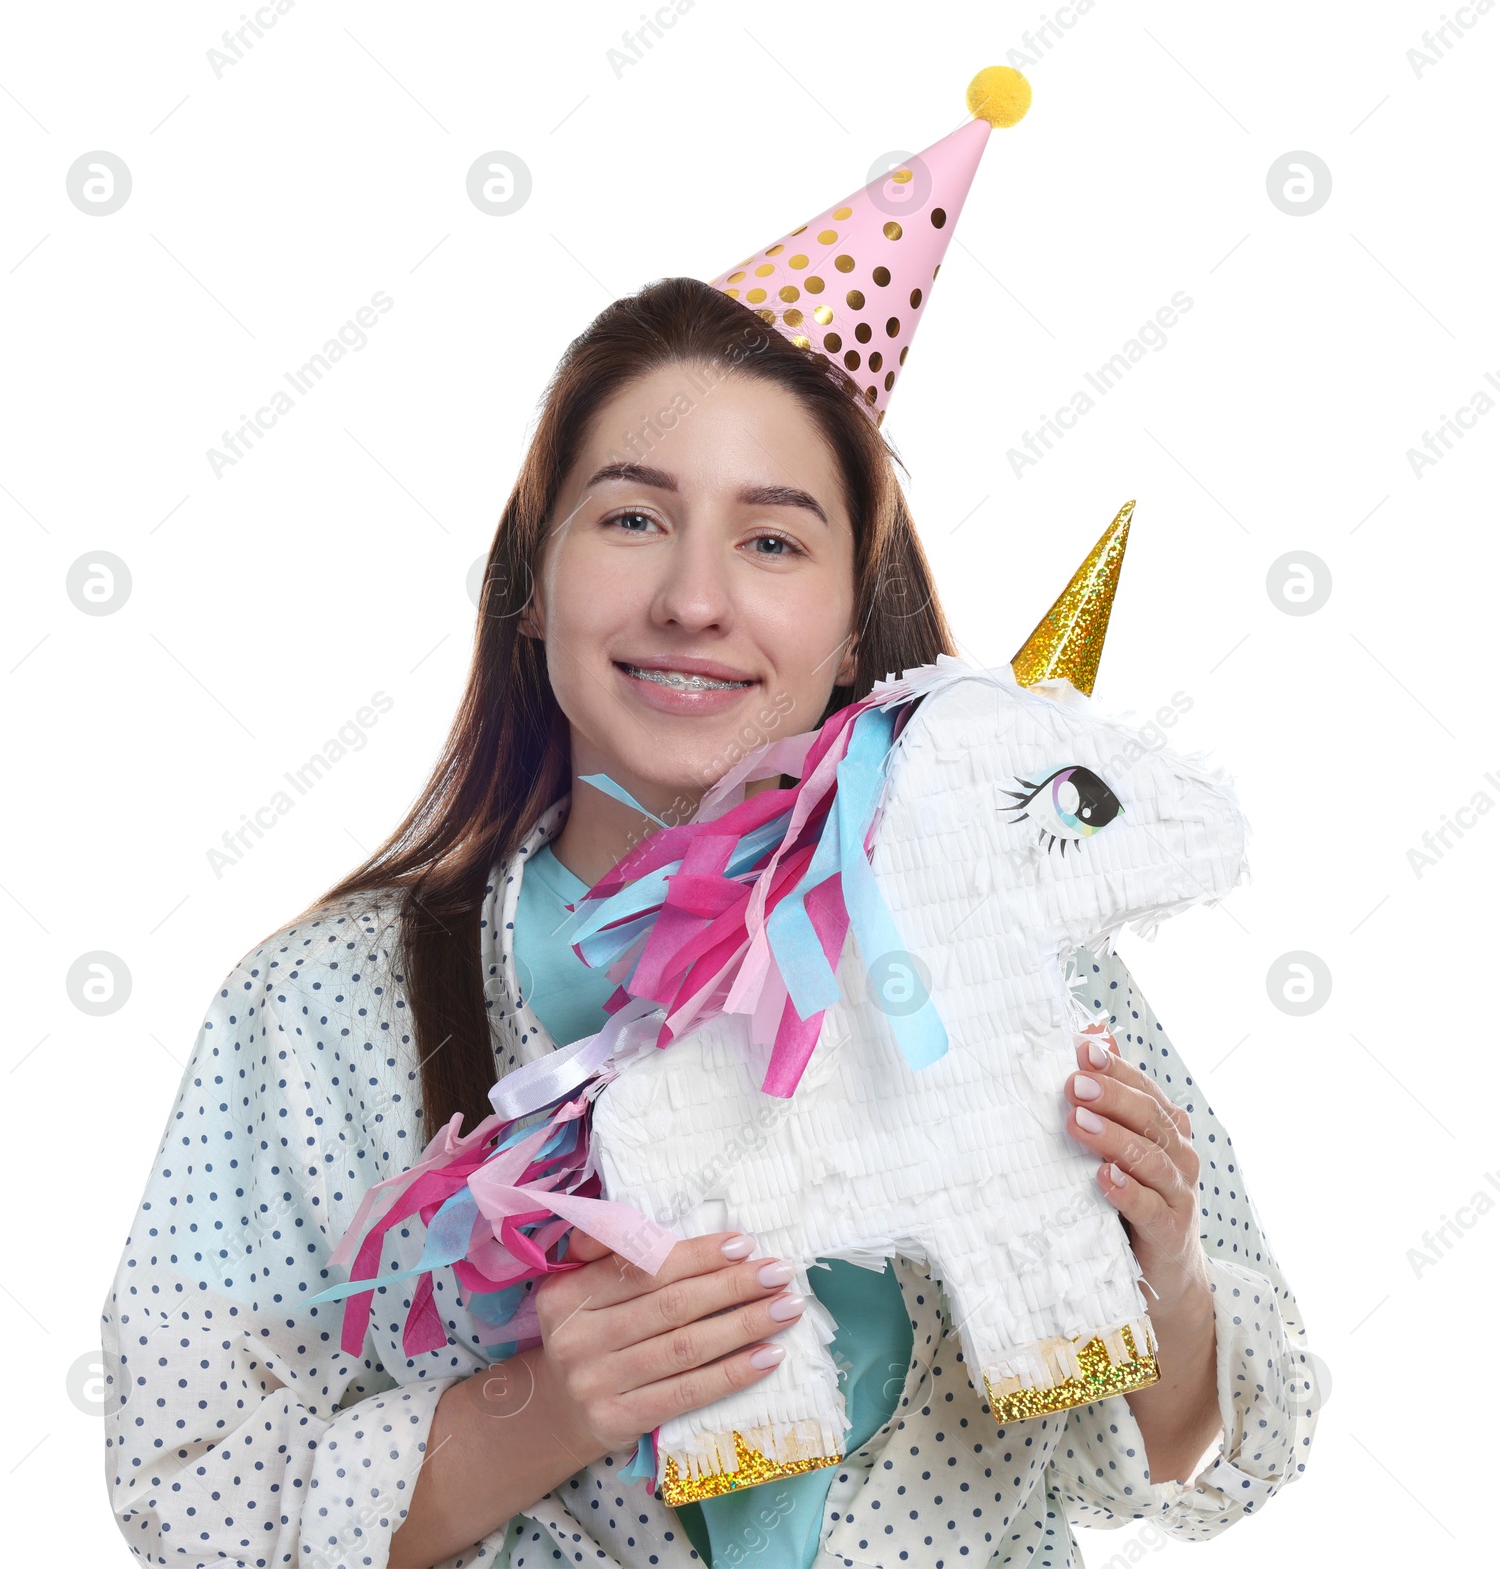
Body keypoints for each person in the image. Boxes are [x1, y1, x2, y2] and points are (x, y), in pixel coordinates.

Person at [99, 276, 1320, 1569]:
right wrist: (548, 1406)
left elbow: (1210, 1452)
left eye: (775, 540)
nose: (694, 599)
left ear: (857, 623)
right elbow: (191, 1492)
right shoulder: (319, 1004)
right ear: (531, 586)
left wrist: (1165, 1273)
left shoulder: (1023, 964)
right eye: (633, 517)